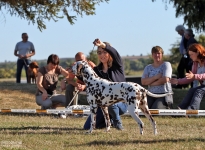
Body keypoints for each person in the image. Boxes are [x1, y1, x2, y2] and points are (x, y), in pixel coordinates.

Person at [83, 39, 128, 130]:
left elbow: (115, 52)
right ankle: (110, 120)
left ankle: (117, 121)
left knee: (110, 102)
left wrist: (103, 45)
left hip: (121, 102)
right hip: (103, 105)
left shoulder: (117, 65)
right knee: (87, 127)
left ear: (109, 53)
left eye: (104, 52)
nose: (102, 55)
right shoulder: (96, 70)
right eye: (99, 53)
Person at [171, 44, 205, 110]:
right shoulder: (195, 63)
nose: (190, 57)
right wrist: (178, 81)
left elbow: (194, 76)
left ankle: (192, 111)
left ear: (198, 52)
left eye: (191, 54)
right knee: (192, 90)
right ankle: (180, 109)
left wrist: (194, 76)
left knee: (199, 91)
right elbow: (190, 78)